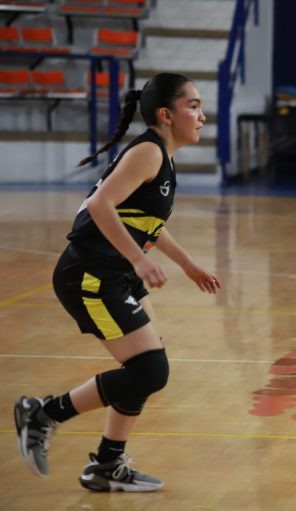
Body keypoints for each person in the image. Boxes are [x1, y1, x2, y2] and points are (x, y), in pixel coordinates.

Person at [13, 72, 221, 491]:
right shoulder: (148, 153)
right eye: (194, 106)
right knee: (150, 371)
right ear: (166, 114)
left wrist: (187, 263)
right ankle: (44, 414)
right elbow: (100, 204)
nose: (202, 116)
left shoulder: (160, 155)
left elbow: (145, 223)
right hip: (90, 273)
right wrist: (138, 260)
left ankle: (107, 464)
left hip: (114, 272)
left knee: (145, 367)